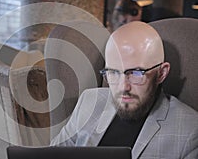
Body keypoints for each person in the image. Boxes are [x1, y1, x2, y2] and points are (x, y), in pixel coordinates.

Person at [50, 21, 198, 159]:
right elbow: (51, 155)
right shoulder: (89, 101)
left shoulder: (189, 131)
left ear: (161, 73)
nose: (123, 87)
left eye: (135, 73)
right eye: (113, 72)